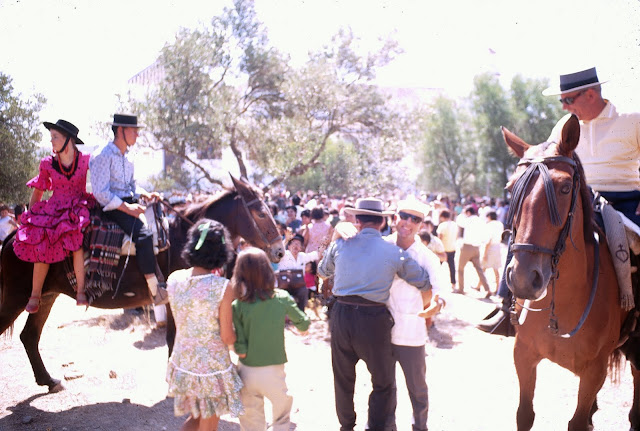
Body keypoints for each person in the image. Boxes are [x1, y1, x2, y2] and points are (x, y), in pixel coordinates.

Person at [317, 197, 431, 431]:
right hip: (373, 318)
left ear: (357, 221)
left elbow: (322, 271)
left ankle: (346, 426)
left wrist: (336, 237)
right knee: (383, 382)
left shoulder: (340, 245)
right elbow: (422, 280)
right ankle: (376, 426)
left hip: (341, 313)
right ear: (382, 222)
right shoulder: (393, 252)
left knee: (343, 379)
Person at [166, 219, 243, 431]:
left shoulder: (174, 279)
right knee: (208, 425)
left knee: (196, 419)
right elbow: (227, 336)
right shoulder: (222, 287)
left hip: (184, 362)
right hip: (211, 369)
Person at [13, 119, 95, 313]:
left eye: (55, 137)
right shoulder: (47, 163)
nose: (51, 141)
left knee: (76, 240)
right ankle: (35, 294)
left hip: (77, 206)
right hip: (55, 207)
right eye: (51, 137)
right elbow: (38, 192)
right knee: (42, 241)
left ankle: (81, 291)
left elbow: (100, 182)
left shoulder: (86, 160)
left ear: (68, 140)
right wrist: (30, 218)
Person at [545, 66, 640, 226]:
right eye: (562, 101)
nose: (564, 107)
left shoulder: (632, 119)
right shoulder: (563, 126)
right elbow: (547, 163)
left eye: (568, 100)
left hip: (627, 201)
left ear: (590, 95)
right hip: (579, 201)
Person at [89, 114, 168, 305]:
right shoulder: (102, 155)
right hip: (111, 206)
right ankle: (154, 290)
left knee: (162, 226)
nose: (137, 135)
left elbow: (131, 186)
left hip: (129, 202)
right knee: (144, 236)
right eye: (134, 131)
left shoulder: (129, 157)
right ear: (120, 130)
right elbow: (101, 193)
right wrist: (128, 208)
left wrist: (146, 194)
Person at [232, 247, 310, 431]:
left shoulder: (238, 304)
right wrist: (302, 328)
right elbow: (303, 323)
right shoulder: (281, 297)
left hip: (247, 368)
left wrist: (241, 351)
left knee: (250, 417)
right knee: (281, 414)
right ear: (267, 270)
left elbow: (240, 345)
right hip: (274, 369)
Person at [386, 200, 446, 431]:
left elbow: (441, 287)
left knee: (417, 389)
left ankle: (420, 426)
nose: (408, 222)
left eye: (415, 219)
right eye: (404, 215)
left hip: (411, 333)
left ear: (422, 225)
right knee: (384, 387)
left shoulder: (426, 256)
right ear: (395, 217)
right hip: (380, 331)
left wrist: (437, 303)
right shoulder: (381, 246)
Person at [277, 234, 323, 311]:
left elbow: (317, 254)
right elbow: (277, 253)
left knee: (303, 291)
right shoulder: (284, 254)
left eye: (298, 244)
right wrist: (286, 240)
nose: (296, 245)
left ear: (301, 248)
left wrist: (324, 244)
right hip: (284, 286)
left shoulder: (302, 256)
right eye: (294, 243)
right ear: (289, 246)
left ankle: (301, 314)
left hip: (298, 286)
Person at [455, 205, 491, 296]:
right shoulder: (480, 220)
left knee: (460, 269)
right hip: (477, 247)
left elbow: (459, 221)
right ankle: (487, 289)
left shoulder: (468, 220)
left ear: (468, 212)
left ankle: (461, 289)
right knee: (479, 269)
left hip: (467, 247)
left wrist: (461, 214)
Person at [478, 211, 503, 293]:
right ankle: (497, 288)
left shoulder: (489, 225)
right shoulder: (500, 224)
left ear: (489, 217)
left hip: (490, 248)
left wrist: (485, 254)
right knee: (496, 269)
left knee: (483, 268)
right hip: (497, 247)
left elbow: (488, 240)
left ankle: (479, 285)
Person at [436, 209, 458, 291]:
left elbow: (439, 239)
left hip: (442, 250)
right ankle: (453, 284)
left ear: (442, 216)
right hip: (452, 248)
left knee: (436, 267)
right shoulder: (455, 224)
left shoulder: (442, 225)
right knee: (452, 267)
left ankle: (434, 283)